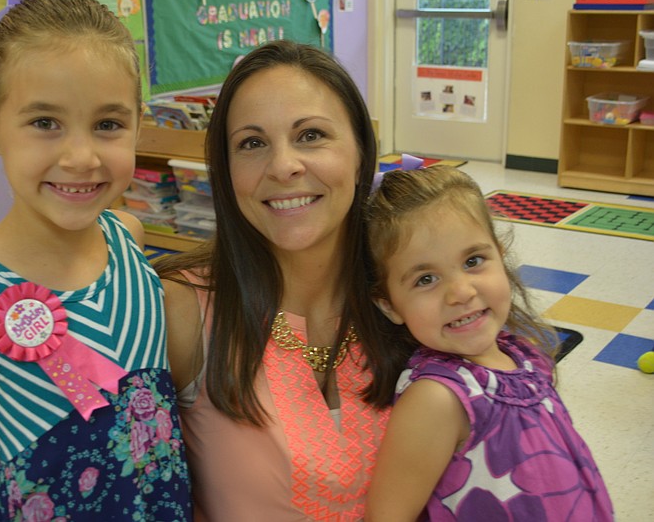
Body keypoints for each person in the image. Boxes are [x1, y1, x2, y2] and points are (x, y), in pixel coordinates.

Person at [0, 0, 191, 521]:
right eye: (45, 123)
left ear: (137, 123)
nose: (81, 157)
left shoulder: (127, 240)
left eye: (108, 124)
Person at [153, 40, 391, 520]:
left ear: (362, 153)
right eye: (253, 143)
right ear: (226, 170)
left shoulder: (407, 295)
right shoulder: (179, 310)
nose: (284, 166)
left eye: (311, 135)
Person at [362, 165, 614, 521]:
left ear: (500, 254)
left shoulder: (523, 354)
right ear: (389, 305)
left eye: (473, 261)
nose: (461, 292)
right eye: (426, 279)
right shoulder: (437, 398)